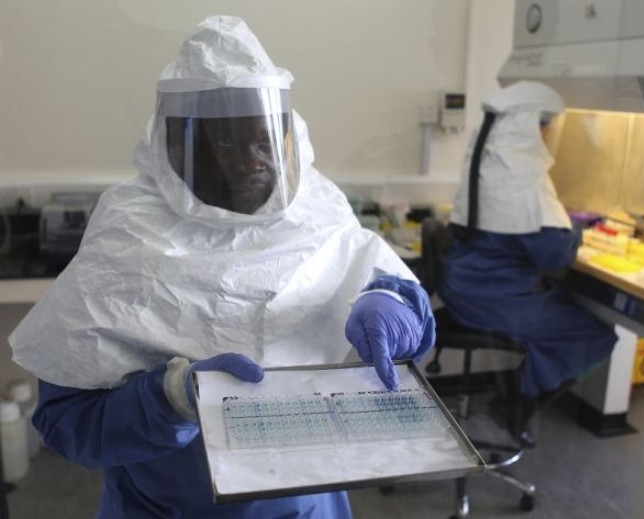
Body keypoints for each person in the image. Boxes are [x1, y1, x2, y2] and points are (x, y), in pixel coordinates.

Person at [8, 16, 435, 519]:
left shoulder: (316, 210)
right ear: (177, 143)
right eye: (226, 142)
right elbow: (67, 421)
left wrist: (393, 303)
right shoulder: (130, 227)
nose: (252, 162)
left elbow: (390, 302)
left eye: (263, 141)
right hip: (167, 505)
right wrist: (170, 400)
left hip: (307, 503)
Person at [438, 80, 617, 400]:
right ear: (530, 130)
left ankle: (521, 387)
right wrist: (574, 229)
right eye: (545, 128)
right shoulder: (523, 183)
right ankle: (519, 406)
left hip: (466, 291)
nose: (548, 136)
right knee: (594, 333)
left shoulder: (489, 170)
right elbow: (556, 258)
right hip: (495, 300)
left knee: (563, 306)